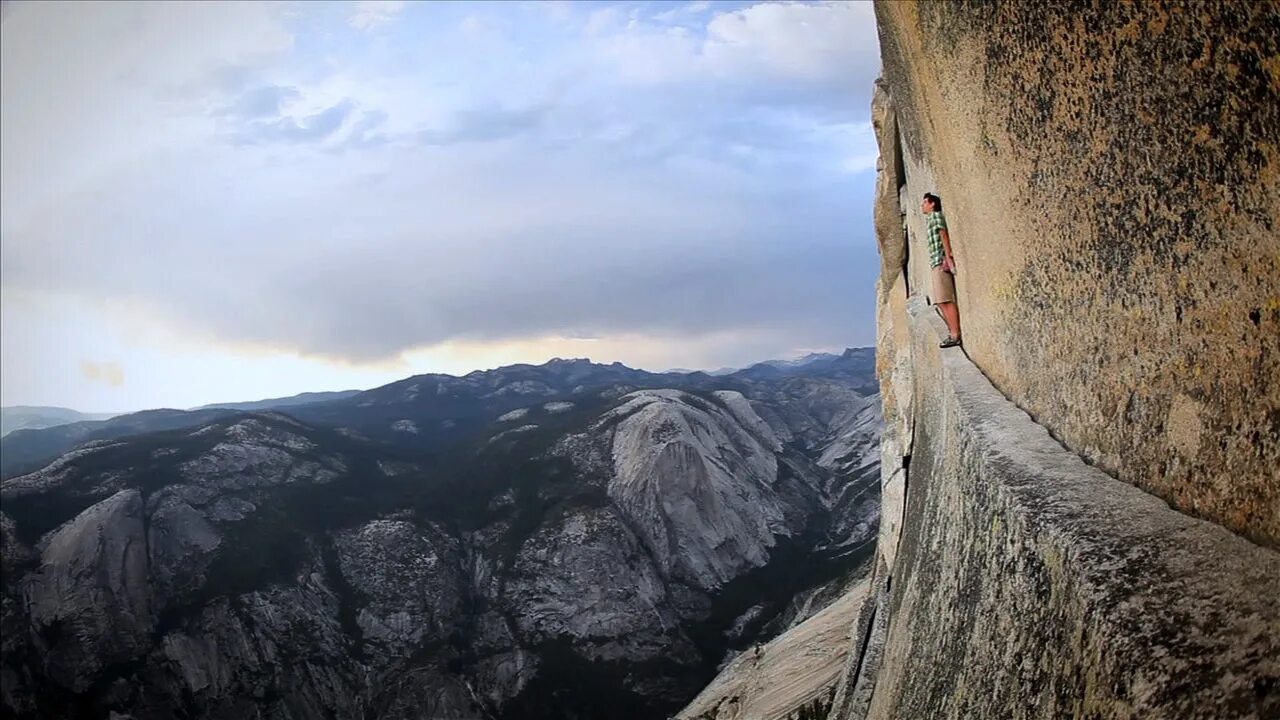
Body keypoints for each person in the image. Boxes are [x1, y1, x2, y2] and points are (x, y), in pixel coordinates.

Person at [922, 192, 961, 348]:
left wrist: (949, 257)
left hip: (940, 261)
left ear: (932, 204)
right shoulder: (929, 220)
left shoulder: (936, 217)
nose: (922, 205)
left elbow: (943, 235)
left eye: (925, 202)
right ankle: (952, 332)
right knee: (940, 301)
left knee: (945, 299)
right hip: (935, 262)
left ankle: (955, 334)